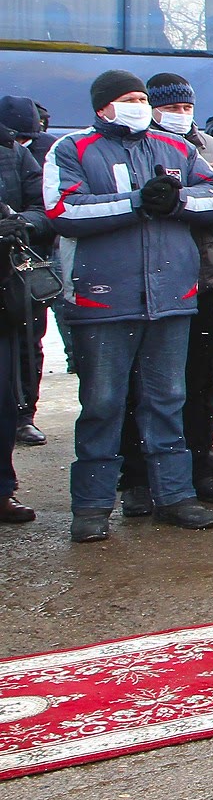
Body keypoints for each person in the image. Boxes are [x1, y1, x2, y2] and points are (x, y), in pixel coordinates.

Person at [50, 70, 213, 542]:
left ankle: (173, 495)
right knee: (104, 403)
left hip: (171, 297)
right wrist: (136, 202)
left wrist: (175, 203)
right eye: (129, 98)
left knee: (167, 399)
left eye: (142, 98)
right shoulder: (73, 149)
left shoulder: (177, 149)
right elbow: (63, 211)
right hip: (103, 301)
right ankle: (91, 506)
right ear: (103, 106)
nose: (139, 105)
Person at [140, 73, 213, 502]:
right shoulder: (145, 148)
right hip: (152, 283)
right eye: (172, 108)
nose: (182, 115)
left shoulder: (205, 146)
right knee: (149, 385)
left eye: (186, 107)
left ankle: (199, 457)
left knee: (201, 377)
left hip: (203, 277)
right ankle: (140, 476)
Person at [0, 105, 51, 524]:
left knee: (5, 393)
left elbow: (43, 206)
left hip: (5, 288)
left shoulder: (13, 151)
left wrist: (18, 223)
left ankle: (2, 489)